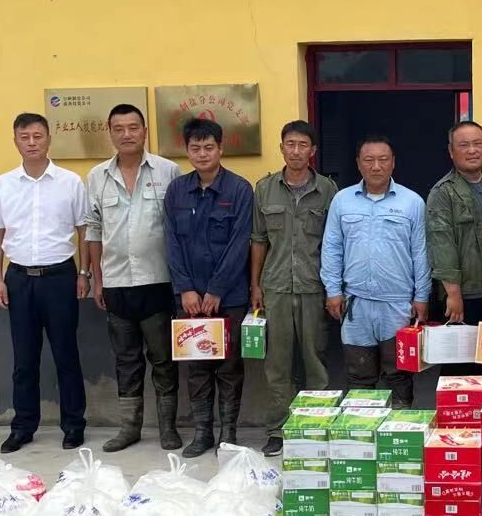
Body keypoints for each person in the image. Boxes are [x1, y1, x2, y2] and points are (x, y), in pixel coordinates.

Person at [0, 113, 90, 453]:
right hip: (18, 279)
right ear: (15, 140)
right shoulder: (3, 184)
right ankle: (23, 426)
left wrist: (84, 273)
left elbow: (84, 230)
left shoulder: (70, 182)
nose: (31, 142)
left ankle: (74, 425)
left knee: (66, 354)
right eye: (24, 137)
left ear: (48, 139)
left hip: (60, 277)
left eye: (37, 136)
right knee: (24, 359)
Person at [85, 103, 182, 453]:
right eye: (119, 129)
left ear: (145, 131)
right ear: (110, 133)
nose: (126, 134)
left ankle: (168, 428)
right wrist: (96, 279)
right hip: (116, 283)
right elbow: (93, 229)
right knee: (126, 360)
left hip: (158, 281)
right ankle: (130, 428)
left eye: (133, 127)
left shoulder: (168, 171)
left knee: (163, 359)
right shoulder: (97, 176)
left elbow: (178, 227)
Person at [165, 118, 255, 456]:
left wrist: (216, 289)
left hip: (229, 297)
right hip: (189, 299)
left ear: (220, 149)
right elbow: (171, 242)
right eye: (195, 148)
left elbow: (240, 243)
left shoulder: (239, 190)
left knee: (229, 367)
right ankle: (202, 432)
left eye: (208, 147)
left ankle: (228, 433)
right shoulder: (177, 191)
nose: (202, 154)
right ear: (187, 151)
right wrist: (185, 289)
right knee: (197, 366)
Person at [249, 120, 338, 455]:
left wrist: (334, 288)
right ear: (281, 148)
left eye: (303, 145)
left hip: (314, 287)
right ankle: (278, 429)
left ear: (313, 150)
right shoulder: (265, 189)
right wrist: (255, 285)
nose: (296, 151)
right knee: (277, 363)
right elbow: (258, 240)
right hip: (275, 288)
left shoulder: (327, 190)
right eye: (290, 144)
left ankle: (316, 426)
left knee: (316, 361)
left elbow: (334, 243)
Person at [321, 136, 430, 407]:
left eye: (383, 159)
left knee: (399, 374)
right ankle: (363, 427)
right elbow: (332, 248)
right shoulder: (342, 201)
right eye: (369, 160)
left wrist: (422, 296)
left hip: (397, 304)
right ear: (358, 164)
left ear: (393, 163)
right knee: (359, 374)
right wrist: (333, 290)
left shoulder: (412, 202)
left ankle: (400, 426)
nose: (376, 166)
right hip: (356, 303)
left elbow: (421, 252)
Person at [427, 121, 482, 326]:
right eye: (464, 145)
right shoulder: (442, 193)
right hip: (466, 294)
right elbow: (442, 246)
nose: (472, 150)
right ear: (451, 151)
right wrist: (453, 294)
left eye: (478, 143)